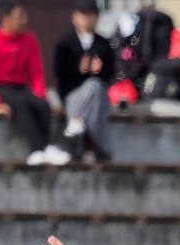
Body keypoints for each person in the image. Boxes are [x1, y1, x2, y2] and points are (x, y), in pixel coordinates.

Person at [0, 1, 71, 166]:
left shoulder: (28, 39)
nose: (25, 19)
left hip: (17, 88)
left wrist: (40, 96)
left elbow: (36, 74)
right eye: (19, 16)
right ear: (5, 19)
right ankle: (37, 150)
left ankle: (46, 148)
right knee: (22, 106)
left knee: (41, 105)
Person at [54, 0, 116, 162]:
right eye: (82, 14)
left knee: (96, 87)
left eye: (90, 14)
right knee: (94, 90)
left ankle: (76, 125)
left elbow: (111, 73)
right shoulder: (65, 42)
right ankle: (99, 147)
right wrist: (79, 70)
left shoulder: (103, 44)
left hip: (98, 94)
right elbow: (60, 72)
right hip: (73, 93)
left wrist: (99, 70)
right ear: (74, 17)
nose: (85, 19)